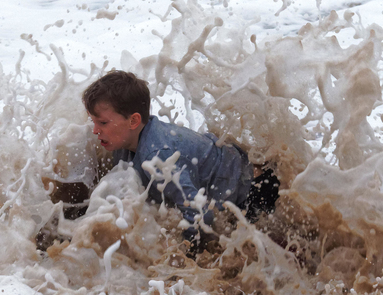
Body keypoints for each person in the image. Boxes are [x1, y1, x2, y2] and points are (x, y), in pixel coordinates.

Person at [82, 70, 280, 252]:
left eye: (103, 123)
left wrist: (182, 254)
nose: (95, 131)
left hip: (256, 191)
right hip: (236, 170)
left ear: (133, 121)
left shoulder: (158, 158)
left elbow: (202, 215)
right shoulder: (124, 143)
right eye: (94, 122)